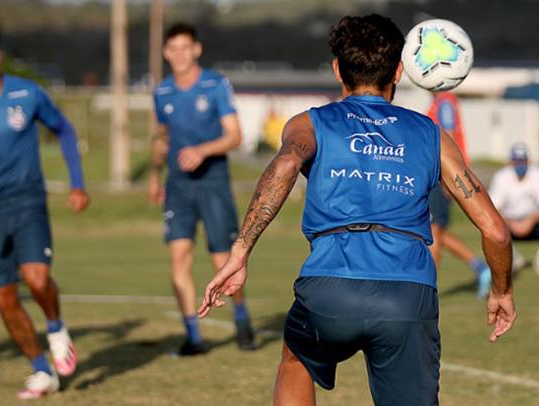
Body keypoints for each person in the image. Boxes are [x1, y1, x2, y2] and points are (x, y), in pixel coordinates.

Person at [198, 15, 516, 405]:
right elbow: (495, 230)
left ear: (337, 69)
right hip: (408, 296)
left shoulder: (310, 123)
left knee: (296, 360)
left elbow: (285, 165)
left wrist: (241, 249)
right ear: (398, 71)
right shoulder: (432, 135)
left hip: (329, 290)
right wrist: (501, 290)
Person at [0, 25, 89, 398]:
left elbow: (64, 131)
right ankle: (41, 370)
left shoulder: (27, 93)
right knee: (4, 297)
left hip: (28, 202)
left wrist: (77, 183)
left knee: (37, 279)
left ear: (0, 57)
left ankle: (56, 328)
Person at [148, 23, 256, 355]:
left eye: (186, 47)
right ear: (166, 53)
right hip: (178, 186)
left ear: (196, 49)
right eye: (173, 49)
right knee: (179, 257)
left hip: (213, 182)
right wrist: (155, 173)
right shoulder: (162, 92)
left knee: (222, 258)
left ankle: (241, 318)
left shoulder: (215, 85)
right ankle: (193, 337)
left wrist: (202, 150)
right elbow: (162, 136)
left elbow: (234, 136)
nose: (180, 54)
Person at [427, 91, 492, 298]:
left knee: (434, 231)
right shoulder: (441, 101)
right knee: (435, 230)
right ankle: (480, 267)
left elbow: (449, 135)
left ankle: (428, 288)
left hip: (441, 174)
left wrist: (449, 177)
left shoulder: (444, 101)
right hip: (438, 173)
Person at [488, 143, 539, 275]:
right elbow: (494, 207)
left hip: (535, 221)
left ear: (528, 161)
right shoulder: (501, 177)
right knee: (489, 226)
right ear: (511, 162)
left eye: (523, 161)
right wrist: (511, 223)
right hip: (508, 222)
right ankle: (511, 255)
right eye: (517, 161)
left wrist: (530, 221)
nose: (520, 164)